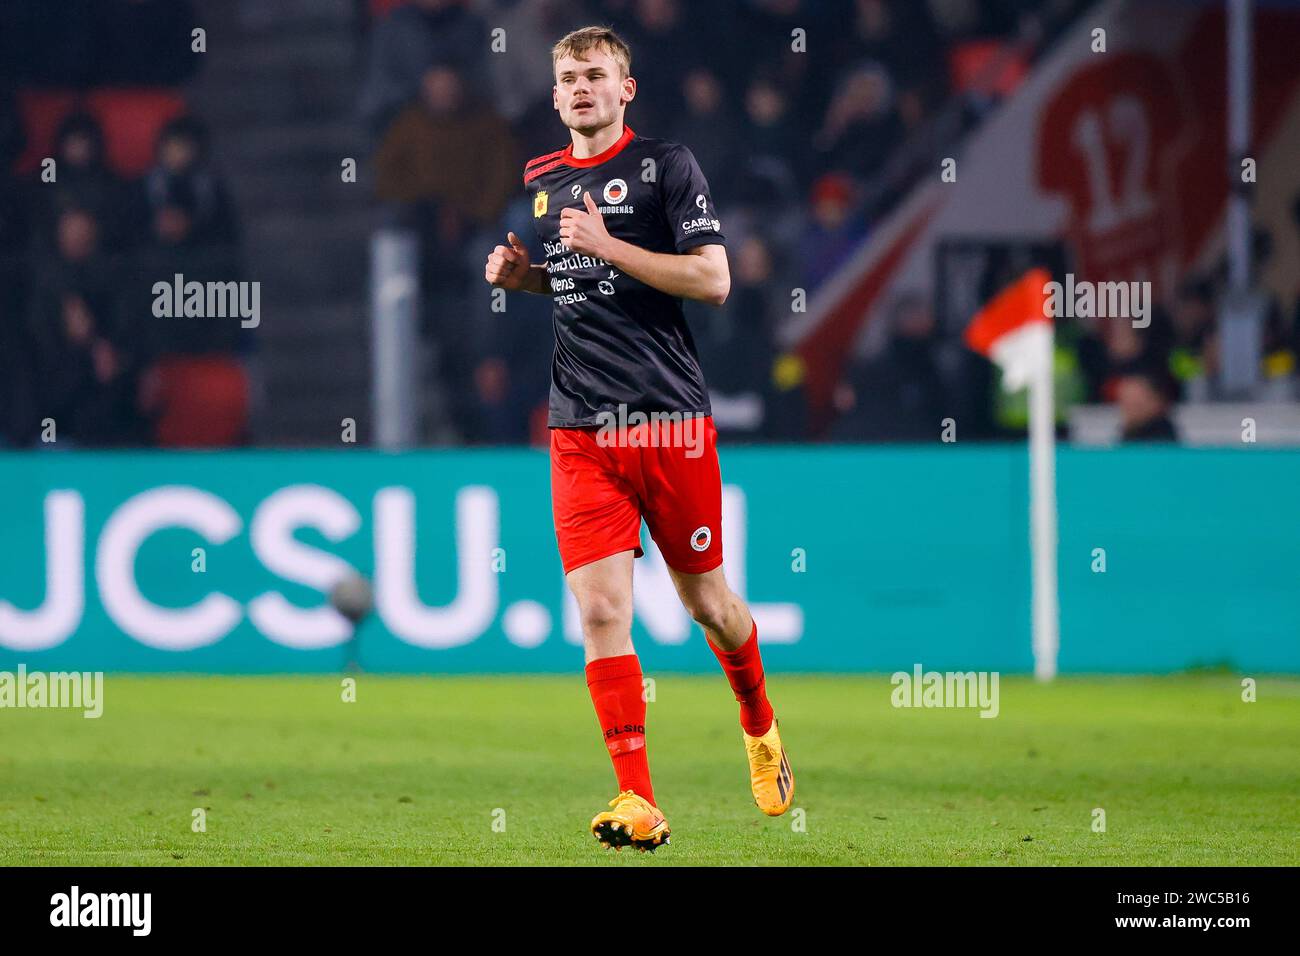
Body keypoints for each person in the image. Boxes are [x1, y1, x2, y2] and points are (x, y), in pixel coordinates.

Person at [483, 26, 793, 853]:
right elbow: (582, 279)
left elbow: (714, 279)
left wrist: (611, 243)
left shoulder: (666, 167)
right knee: (600, 609)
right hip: (580, 428)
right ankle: (637, 798)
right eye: (568, 78)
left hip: (668, 424)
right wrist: (530, 279)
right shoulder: (542, 182)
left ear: (626, 90)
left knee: (709, 606)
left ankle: (759, 722)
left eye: (596, 75)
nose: (581, 88)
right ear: (554, 97)